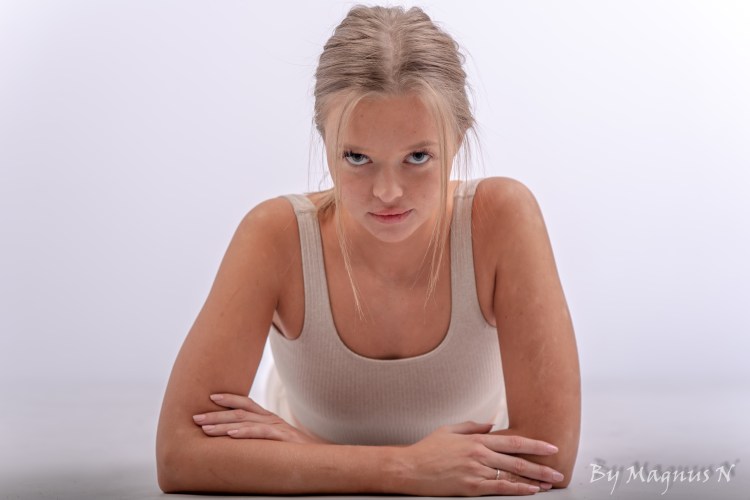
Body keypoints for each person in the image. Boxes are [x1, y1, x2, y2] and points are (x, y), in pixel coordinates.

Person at [156, 4, 580, 496]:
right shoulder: (275, 235)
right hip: (324, 445)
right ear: (325, 140)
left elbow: (548, 457)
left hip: (302, 456)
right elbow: (177, 455)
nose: (388, 192)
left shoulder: (502, 217)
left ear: (458, 139)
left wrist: (310, 453)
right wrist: (405, 470)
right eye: (357, 157)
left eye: (417, 156)